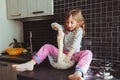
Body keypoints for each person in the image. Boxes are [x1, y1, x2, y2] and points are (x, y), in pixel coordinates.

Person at [12, 8, 92, 80]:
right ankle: (31, 64)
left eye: (72, 22)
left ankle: (77, 73)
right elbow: (53, 24)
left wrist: (68, 56)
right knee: (47, 46)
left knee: (88, 53)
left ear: (78, 23)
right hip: (62, 53)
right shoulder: (65, 28)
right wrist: (59, 29)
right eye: (67, 22)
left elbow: (75, 45)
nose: (69, 25)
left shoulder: (79, 31)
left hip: (73, 55)